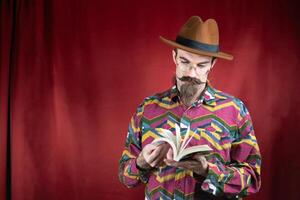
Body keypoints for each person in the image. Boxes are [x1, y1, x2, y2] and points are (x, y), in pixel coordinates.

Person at [118, 16, 261, 200]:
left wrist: (208, 170)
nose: (192, 73)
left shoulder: (234, 110)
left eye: (201, 65)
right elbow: (125, 176)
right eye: (185, 62)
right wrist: (140, 163)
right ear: (174, 57)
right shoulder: (147, 109)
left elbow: (252, 179)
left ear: (212, 64)